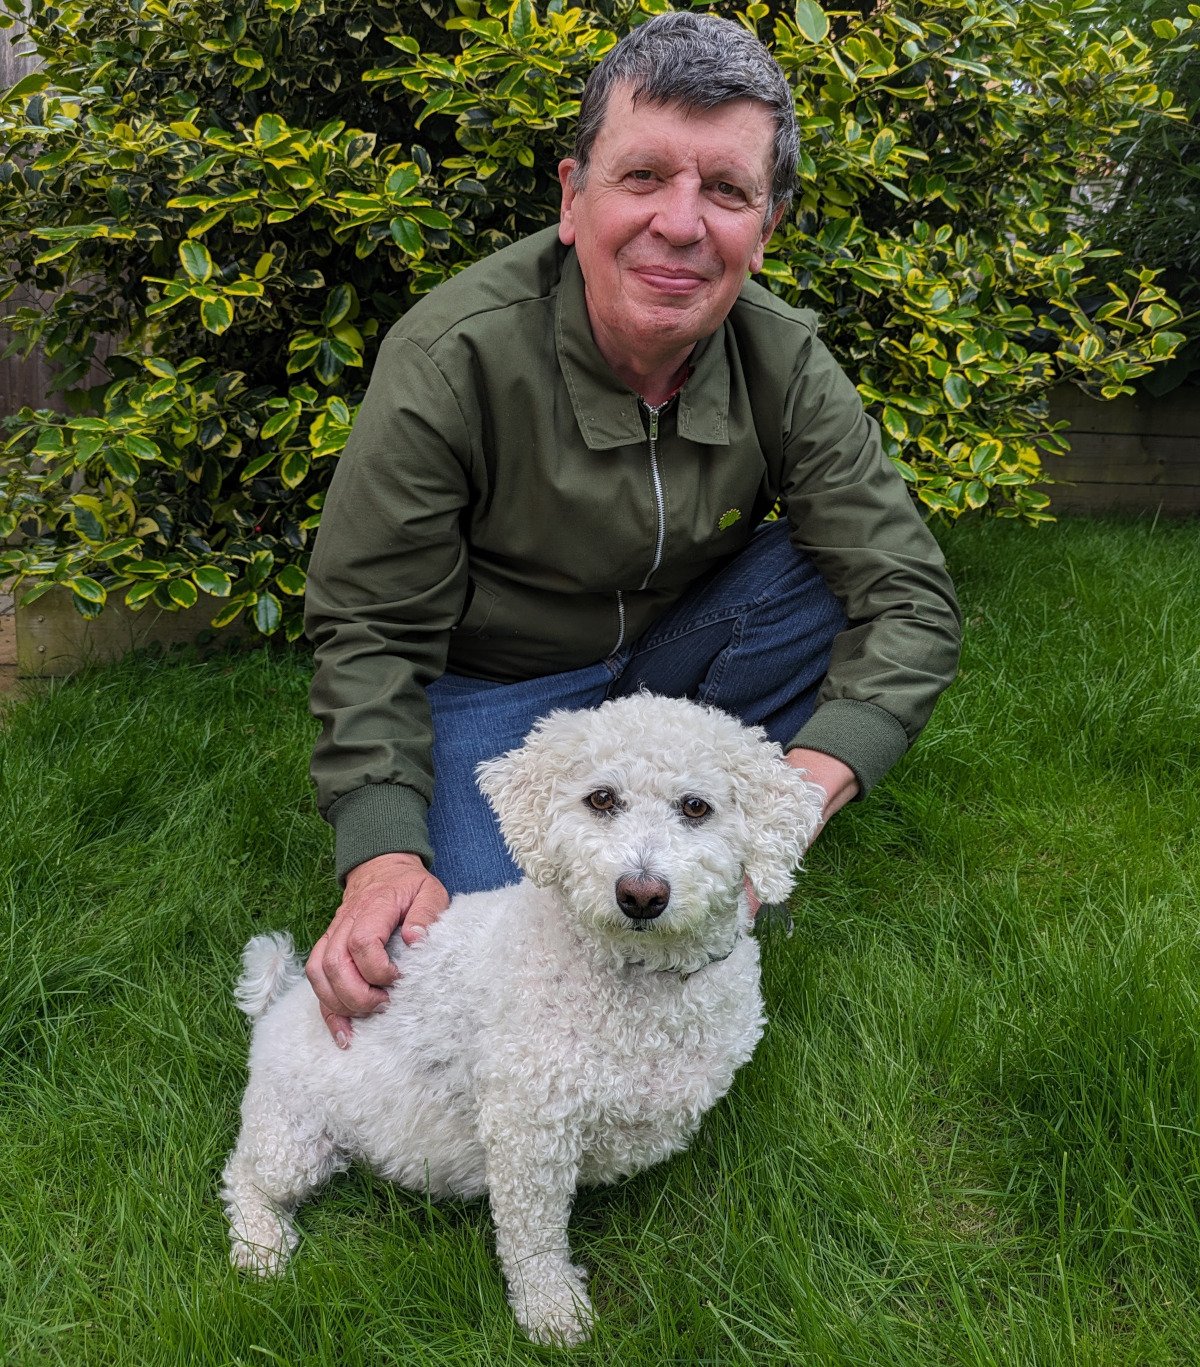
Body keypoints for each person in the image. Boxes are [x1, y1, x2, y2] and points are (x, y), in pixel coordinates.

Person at [302, 11, 961, 1047]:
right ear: (573, 196)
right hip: (494, 688)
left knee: (823, 576)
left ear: (766, 224)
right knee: (483, 956)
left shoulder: (782, 359)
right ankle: (612, 825)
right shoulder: (450, 357)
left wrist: (792, 800)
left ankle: (696, 814)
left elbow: (910, 598)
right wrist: (381, 850)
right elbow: (369, 628)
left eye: (727, 191)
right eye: (644, 176)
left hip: (677, 653)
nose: (682, 223)